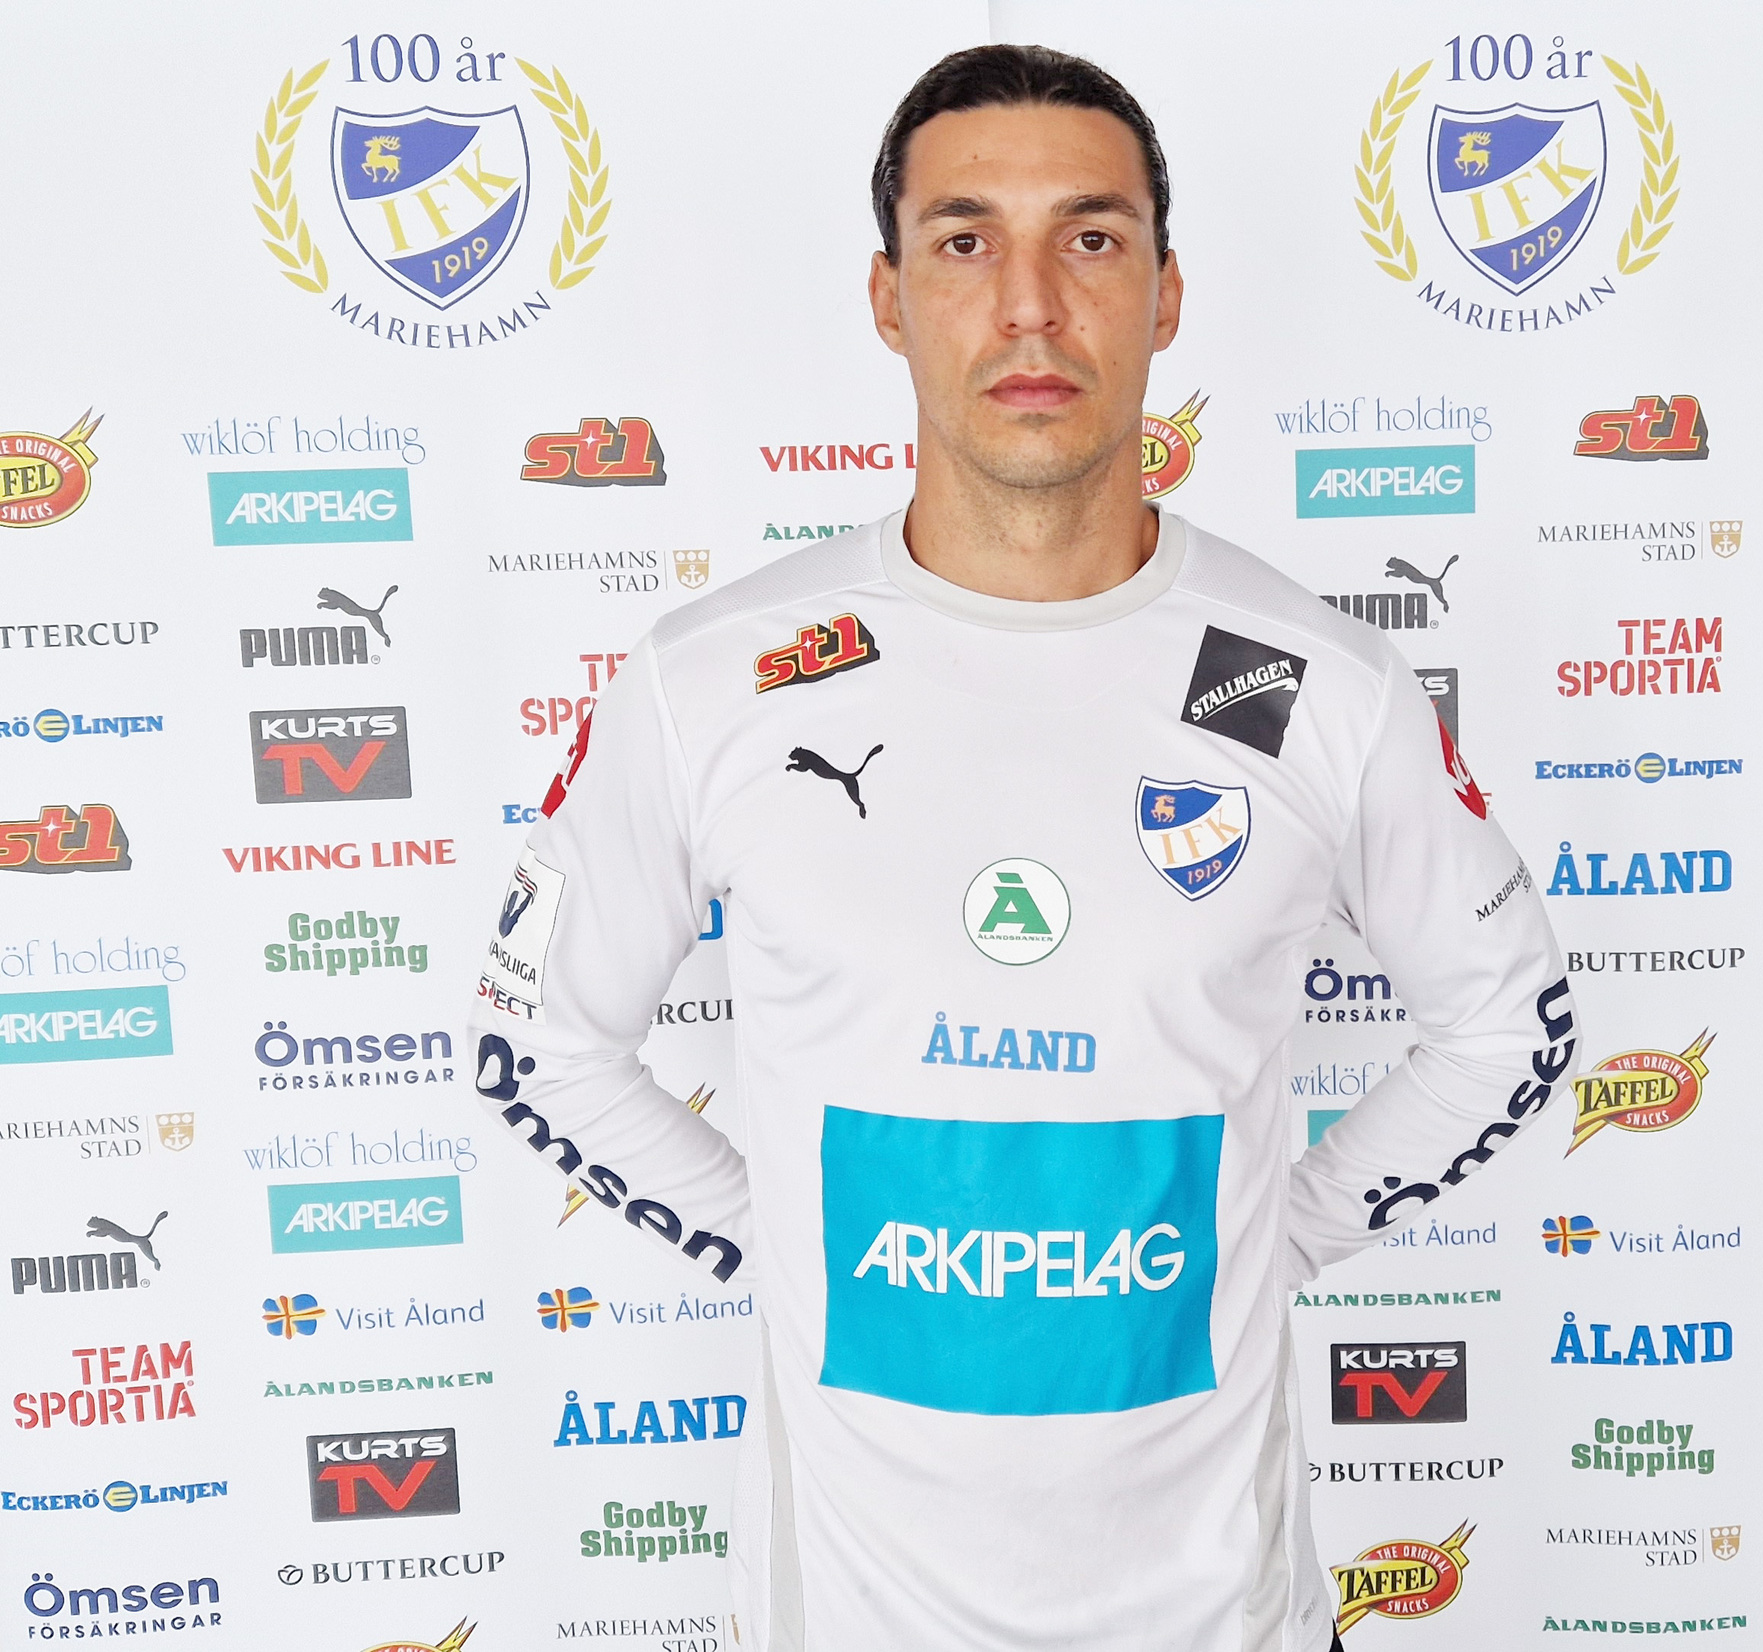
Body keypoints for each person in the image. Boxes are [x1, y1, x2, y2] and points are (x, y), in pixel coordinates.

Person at [472, 42, 1575, 1652]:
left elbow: (1508, 1017)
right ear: (889, 295)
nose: (1032, 306)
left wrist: (1277, 1238)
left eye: (1092, 237)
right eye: (966, 240)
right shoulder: (711, 682)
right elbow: (538, 1039)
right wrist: (789, 1245)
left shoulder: (1315, 684)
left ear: (1167, 294)